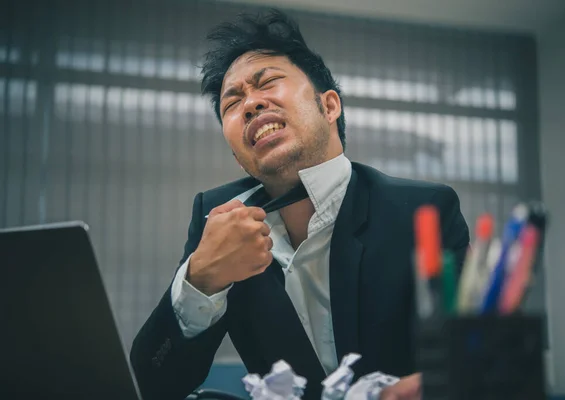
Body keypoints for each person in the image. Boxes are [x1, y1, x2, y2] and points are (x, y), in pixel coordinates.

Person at [130, 9, 469, 400]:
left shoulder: (423, 210)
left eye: (268, 82)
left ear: (329, 107)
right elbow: (153, 385)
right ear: (239, 157)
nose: (251, 105)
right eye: (232, 103)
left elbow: (468, 363)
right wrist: (201, 278)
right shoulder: (218, 217)